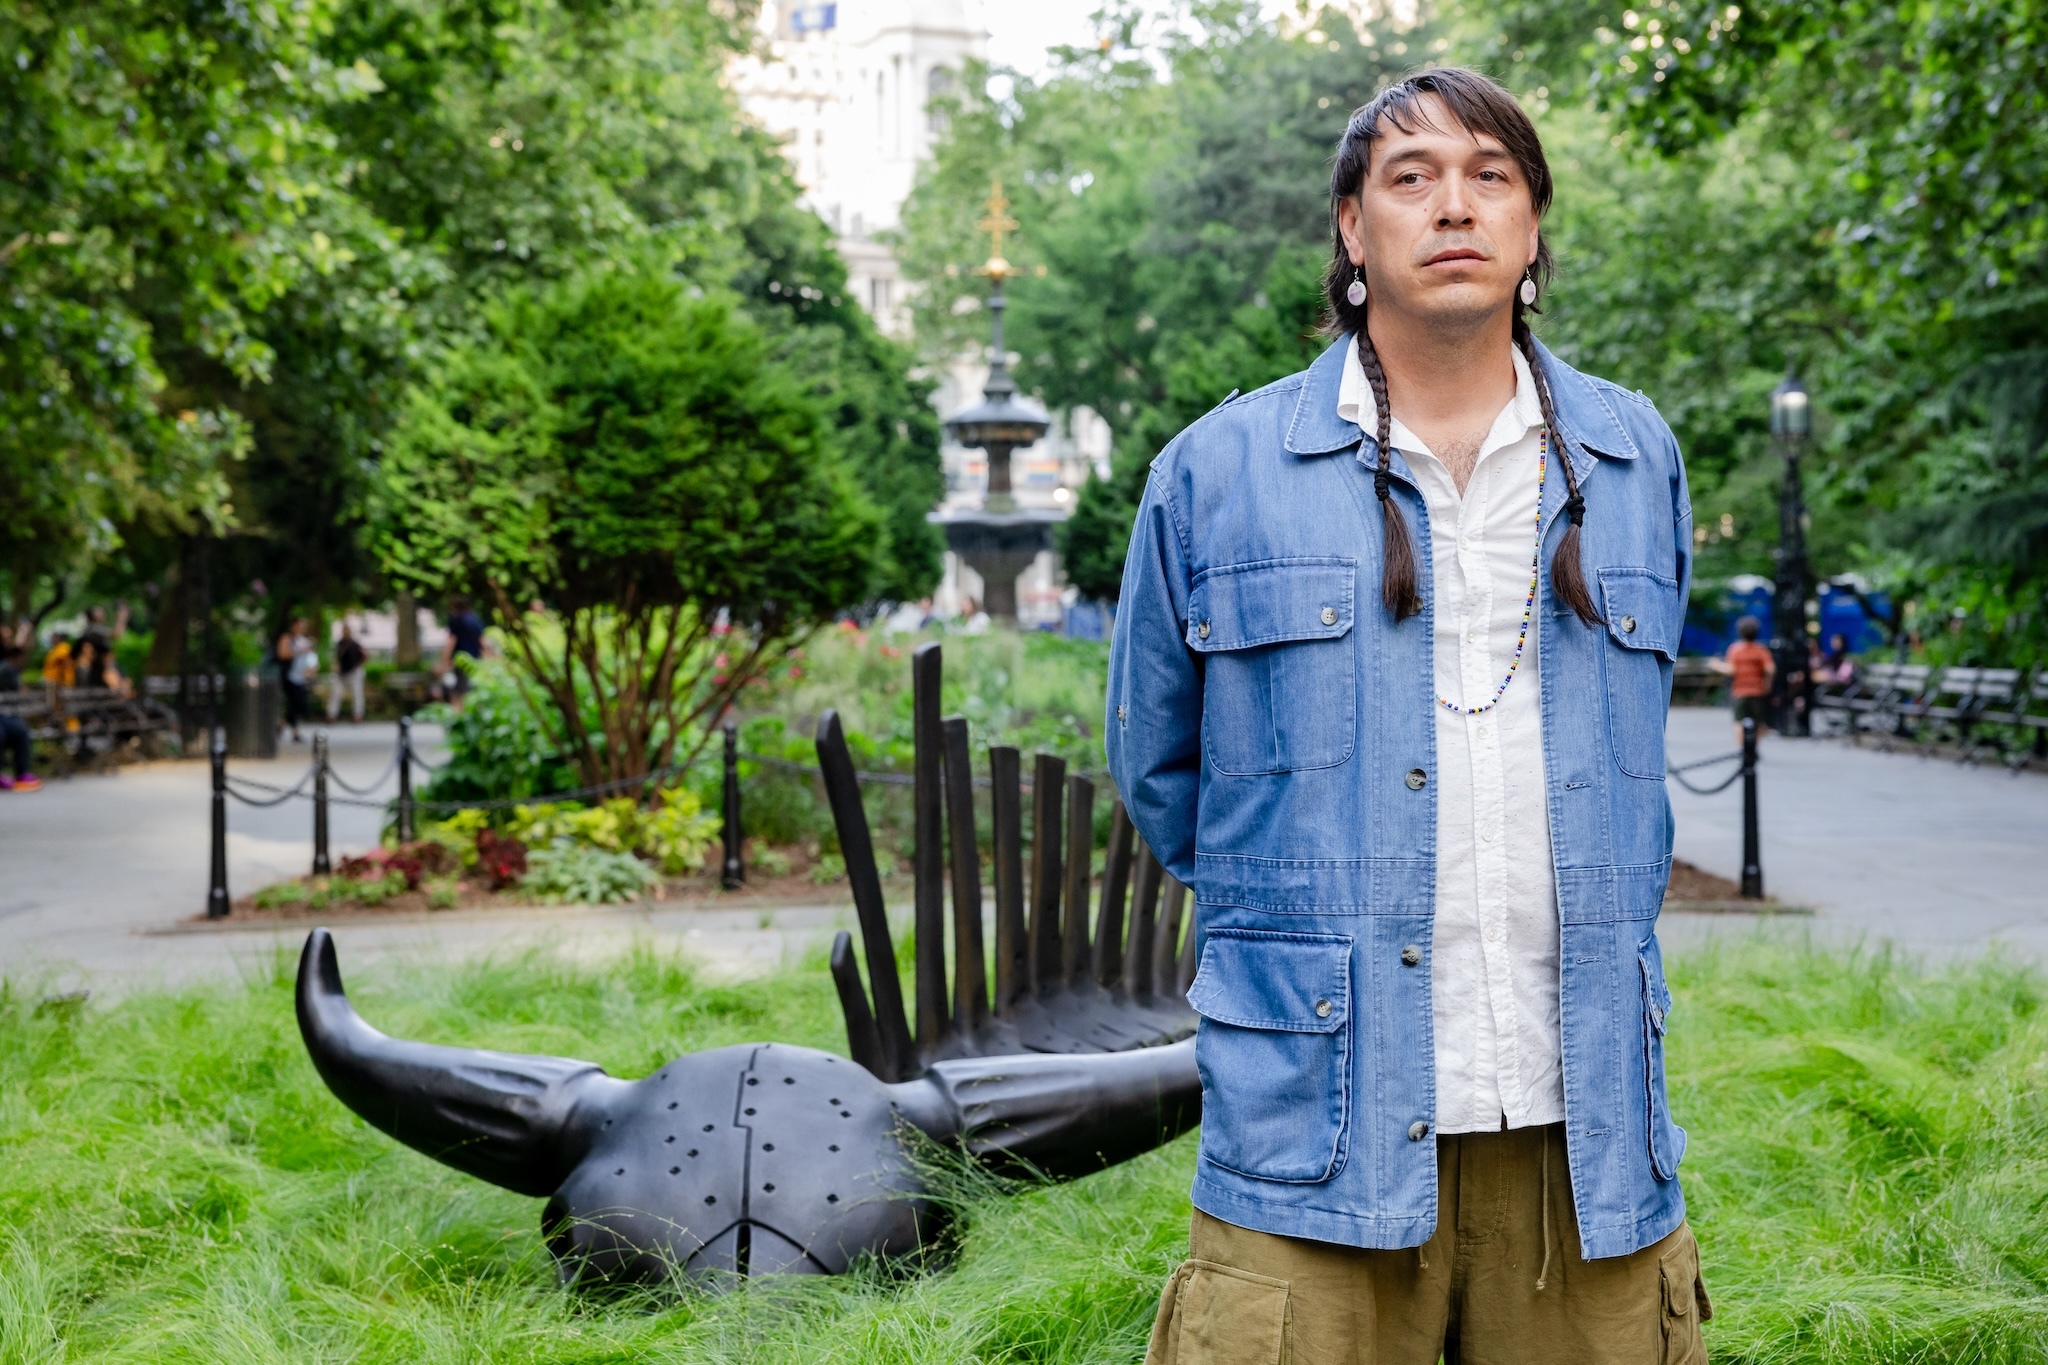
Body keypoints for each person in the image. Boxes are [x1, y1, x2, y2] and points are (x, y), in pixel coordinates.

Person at [1108, 70, 1707, 1365]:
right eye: (1410, 176)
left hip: (1583, 1132)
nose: (1455, 205)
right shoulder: (1218, 473)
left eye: (1492, 176)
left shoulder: (1632, 456)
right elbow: (1160, 771)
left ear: (1534, 229)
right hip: (1309, 1127)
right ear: (1350, 227)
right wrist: (1313, 926)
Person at [1711, 615, 1774, 745]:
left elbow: (1730, 670)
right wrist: (1767, 684)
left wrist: (1716, 665)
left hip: (1740, 691)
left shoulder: (1735, 649)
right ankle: (1753, 748)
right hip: (1757, 690)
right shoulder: (1761, 650)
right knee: (1758, 722)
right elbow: (1770, 669)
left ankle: (1742, 750)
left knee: (1738, 722)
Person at [0, 643, 40, 792]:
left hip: (4, 713)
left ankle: (22, 773)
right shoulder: (4, 670)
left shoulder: (12, 670)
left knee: (20, 732)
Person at [434, 595, 486, 707]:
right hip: (476, 660)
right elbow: (482, 641)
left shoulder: (456, 620)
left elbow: (451, 641)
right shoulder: (475, 619)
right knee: (472, 687)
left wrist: (444, 661)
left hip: (461, 660)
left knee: (459, 690)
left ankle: (460, 714)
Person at [277, 617, 317, 743]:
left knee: (299, 704)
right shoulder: (287, 638)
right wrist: (299, 651)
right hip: (289, 676)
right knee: (294, 703)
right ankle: (294, 732)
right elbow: (282, 654)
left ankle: (281, 724)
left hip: (301, 677)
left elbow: (311, 658)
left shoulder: (305, 640)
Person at [328, 621, 368, 723]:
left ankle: (357, 715)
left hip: (353, 671)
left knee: (357, 693)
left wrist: (358, 665)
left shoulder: (355, 644)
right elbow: (336, 658)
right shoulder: (339, 644)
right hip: (342, 672)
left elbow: (365, 655)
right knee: (336, 693)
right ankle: (332, 714)